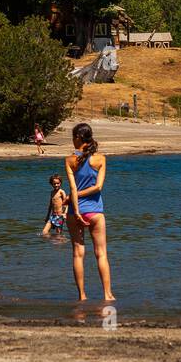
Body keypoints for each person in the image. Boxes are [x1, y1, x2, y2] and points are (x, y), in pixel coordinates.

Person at [65, 123, 114, 301]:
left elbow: (72, 188)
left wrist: (75, 206)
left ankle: (82, 296)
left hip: (74, 212)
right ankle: (107, 295)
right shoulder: (100, 159)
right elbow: (98, 187)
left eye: (72, 137)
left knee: (78, 253)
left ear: (78, 138)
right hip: (95, 212)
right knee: (101, 254)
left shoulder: (70, 160)